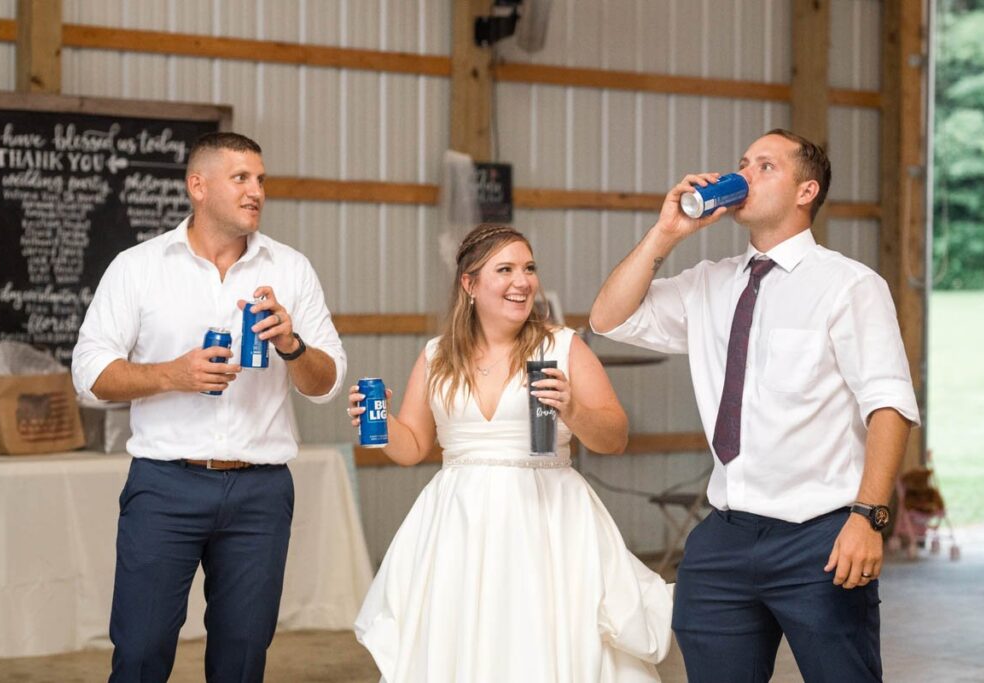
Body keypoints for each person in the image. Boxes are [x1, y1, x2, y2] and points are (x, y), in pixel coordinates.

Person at [589, 129, 920, 682]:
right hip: (724, 537)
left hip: (822, 537)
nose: (743, 173)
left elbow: (889, 404)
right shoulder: (709, 284)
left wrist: (868, 517)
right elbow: (609, 318)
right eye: (743, 162)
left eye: (765, 166)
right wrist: (665, 233)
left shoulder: (849, 286)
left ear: (805, 191)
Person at [71, 132, 346, 683]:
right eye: (240, 178)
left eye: (261, 180)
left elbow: (327, 383)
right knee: (142, 650)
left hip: (261, 493)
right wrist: (174, 374)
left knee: (243, 657)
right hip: (164, 486)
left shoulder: (291, 269)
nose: (256, 192)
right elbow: (88, 375)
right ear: (198, 186)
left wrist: (292, 346)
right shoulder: (138, 267)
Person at [349, 223, 673, 683]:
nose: (522, 281)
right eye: (505, 269)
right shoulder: (437, 355)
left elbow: (615, 437)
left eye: (529, 268)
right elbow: (415, 446)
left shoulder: (562, 345)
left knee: (538, 637)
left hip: (546, 521)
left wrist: (574, 409)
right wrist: (375, 429)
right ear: (470, 283)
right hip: (457, 523)